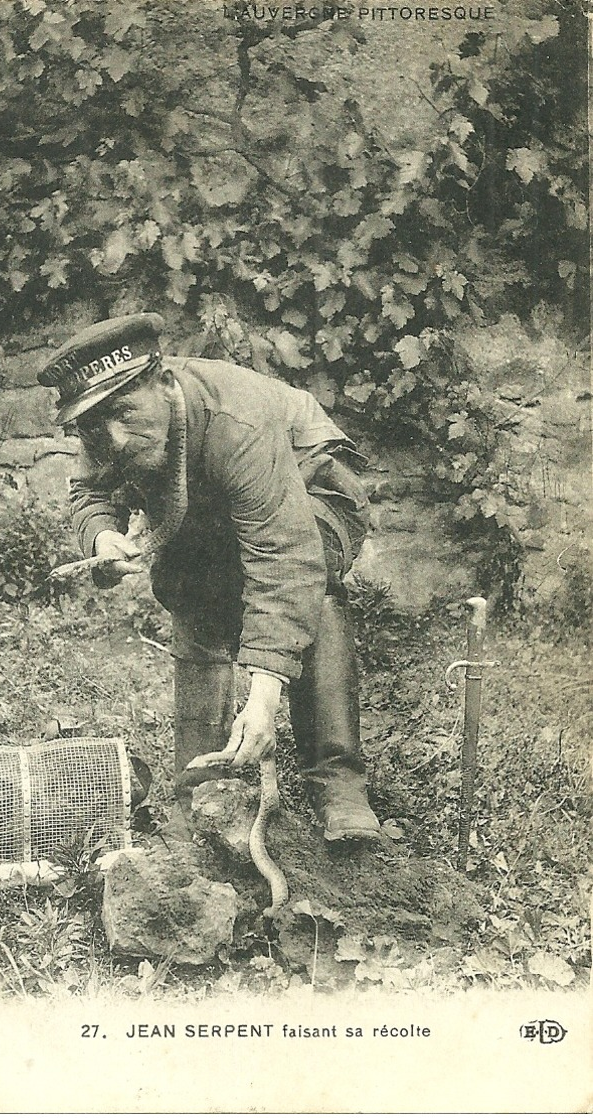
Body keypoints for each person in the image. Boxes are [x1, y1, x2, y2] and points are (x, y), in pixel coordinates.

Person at [38, 312, 381, 842]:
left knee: (316, 589)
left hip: (308, 486)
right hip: (218, 505)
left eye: (126, 413)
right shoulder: (106, 418)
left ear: (165, 383)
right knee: (187, 583)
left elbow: (285, 560)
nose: (116, 438)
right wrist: (104, 536)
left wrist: (263, 697)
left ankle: (337, 783)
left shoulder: (235, 422)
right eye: (96, 425)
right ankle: (199, 778)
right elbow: (89, 491)